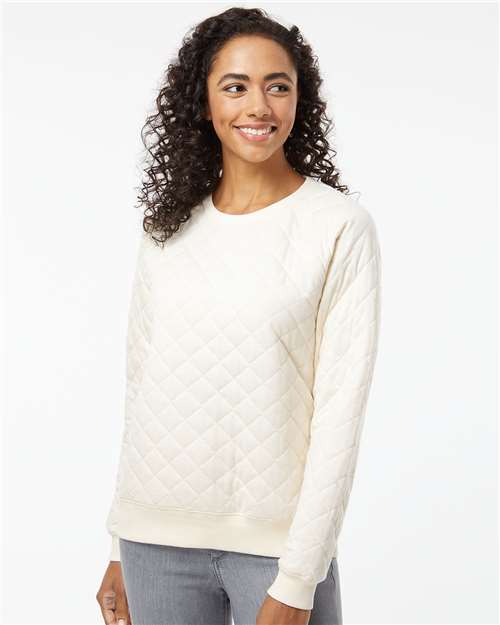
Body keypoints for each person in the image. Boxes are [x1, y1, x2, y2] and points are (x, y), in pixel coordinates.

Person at [95, 7, 382, 625]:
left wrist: (299, 578)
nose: (258, 106)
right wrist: (120, 544)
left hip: (278, 552)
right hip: (154, 545)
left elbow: (340, 415)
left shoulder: (338, 228)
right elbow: (142, 390)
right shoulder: (167, 230)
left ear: (300, 100)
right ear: (203, 103)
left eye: (277, 86)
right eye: (235, 86)